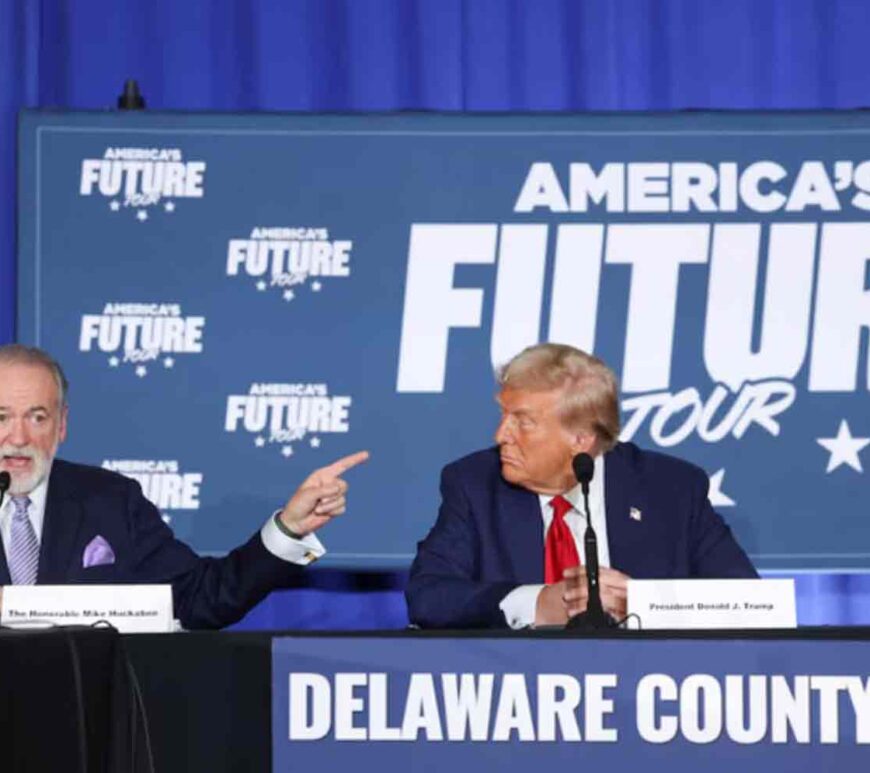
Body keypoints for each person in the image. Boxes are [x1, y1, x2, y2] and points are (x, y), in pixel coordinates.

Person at [0, 344, 368, 629]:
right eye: (2, 417)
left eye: (37, 417)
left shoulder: (110, 501)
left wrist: (290, 528)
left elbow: (201, 600)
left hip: (80, 717)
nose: (18, 437)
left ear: (61, 425)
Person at [406, 343, 756, 629]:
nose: (501, 436)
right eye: (503, 415)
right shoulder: (475, 484)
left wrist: (644, 605)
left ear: (581, 439)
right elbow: (428, 597)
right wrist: (538, 604)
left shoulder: (672, 490)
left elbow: (751, 604)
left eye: (522, 422)